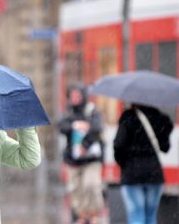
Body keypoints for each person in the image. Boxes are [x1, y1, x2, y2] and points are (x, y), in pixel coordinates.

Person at [114, 104, 173, 224]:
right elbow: (165, 147)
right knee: (151, 216)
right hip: (154, 173)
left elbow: (118, 145)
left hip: (132, 174)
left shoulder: (128, 117)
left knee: (136, 215)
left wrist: (124, 164)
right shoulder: (159, 118)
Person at [58, 83, 104, 224]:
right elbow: (61, 126)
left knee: (91, 185)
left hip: (91, 158)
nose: (74, 98)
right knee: (75, 188)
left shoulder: (92, 111)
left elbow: (97, 128)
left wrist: (85, 144)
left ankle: (94, 213)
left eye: (77, 95)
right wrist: (74, 126)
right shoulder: (68, 113)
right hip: (73, 159)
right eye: (72, 96)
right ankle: (82, 215)